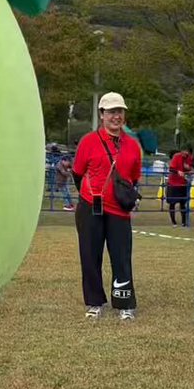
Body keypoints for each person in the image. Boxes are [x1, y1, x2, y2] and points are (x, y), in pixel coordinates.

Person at [71, 92, 142, 321]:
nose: (116, 116)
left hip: (119, 210)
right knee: (90, 256)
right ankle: (94, 302)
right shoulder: (88, 142)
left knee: (121, 257)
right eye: (111, 112)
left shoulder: (132, 145)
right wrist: (91, 194)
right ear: (101, 114)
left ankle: (124, 303)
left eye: (119, 111)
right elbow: (77, 173)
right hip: (91, 206)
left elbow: (134, 177)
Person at [167, 145, 193, 228]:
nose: (185, 154)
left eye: (187, 152)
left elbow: (192, 168)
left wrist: (188, 168)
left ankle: (184, 222)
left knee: (183, 203)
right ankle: (173, 222)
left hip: (183, 183)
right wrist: (178, 171)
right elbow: (171, 169)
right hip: (173, 183)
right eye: (184, 151)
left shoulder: (189, 158)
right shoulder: (176, 156)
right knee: (172, 203)